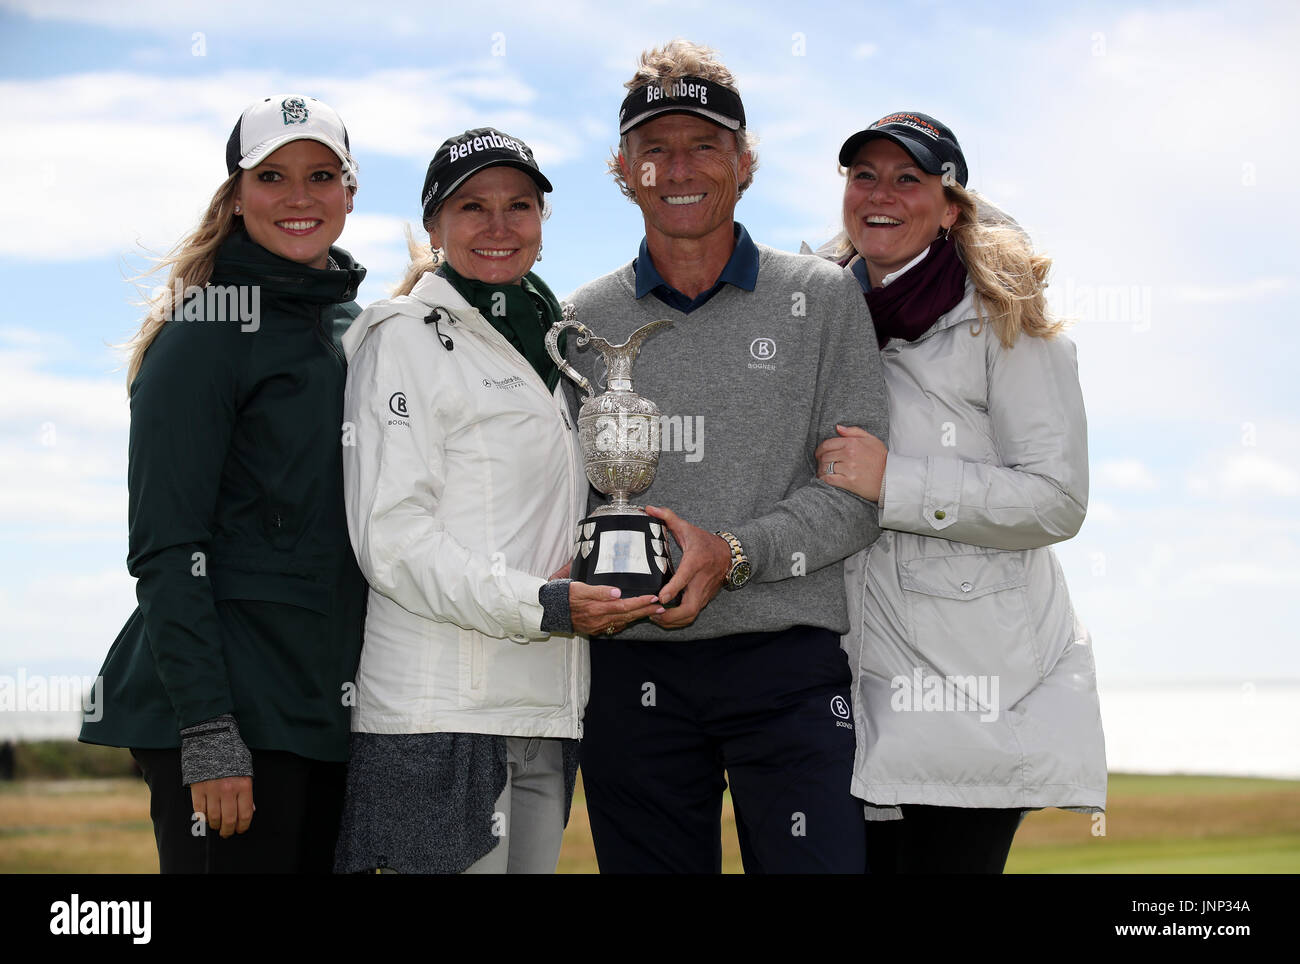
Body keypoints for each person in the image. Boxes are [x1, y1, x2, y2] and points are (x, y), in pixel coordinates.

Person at [566, 41, 890, 874]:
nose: (679, 167)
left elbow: (854, 497)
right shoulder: (578, 318)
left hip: (786, 667)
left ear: (743, 163)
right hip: (630, 676)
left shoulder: (822, 295)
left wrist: (733, 556)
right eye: (655, 149)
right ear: (623, 169)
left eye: (704, 145)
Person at [334, 128, 659, 875]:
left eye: (520, 205)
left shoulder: (555, 346)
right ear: (433, 227)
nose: (499, 225)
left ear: (543, 225)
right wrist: (542, 604)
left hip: (544, 707)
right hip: (437, 718)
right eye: (472, 206)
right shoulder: (403, 338)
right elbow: (392, 539)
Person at [811, 111, 1107, 873]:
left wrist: (897, 483)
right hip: (841, 686)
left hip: (972, 697)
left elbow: (1055, 498)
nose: (882, 194)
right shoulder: (816, 316)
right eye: (864, 175)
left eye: (909, 178)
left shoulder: (1012, 324)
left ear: (949, 207)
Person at [80, 95, 368, 873]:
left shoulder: (356, 329)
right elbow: (167, 546)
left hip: (322, 713)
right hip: (231, 715)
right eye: (271, 176)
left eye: (321, 175)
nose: (299, 196)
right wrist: (208, 728)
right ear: (237, 196)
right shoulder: (204, 332)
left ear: (351, 189)